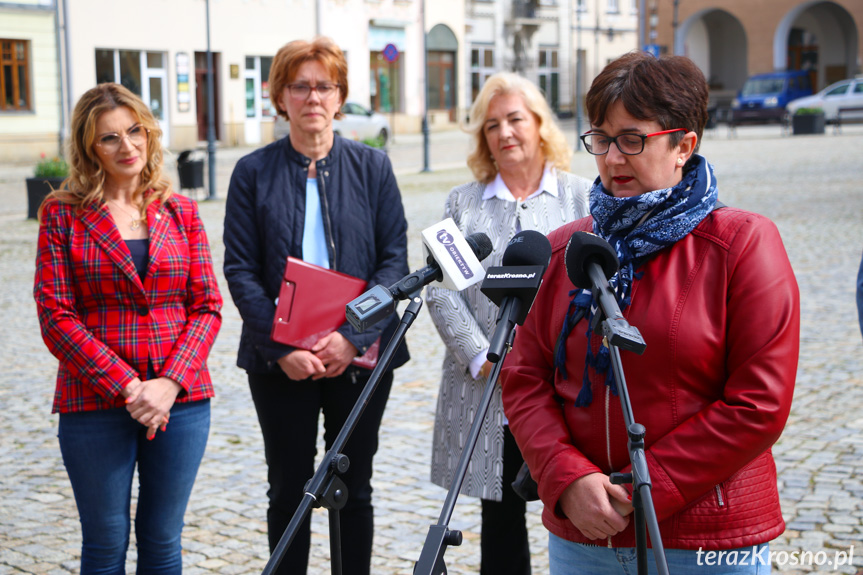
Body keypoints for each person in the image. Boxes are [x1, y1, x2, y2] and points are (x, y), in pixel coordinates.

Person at [500, 51, 800, 574]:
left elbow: (759, 402)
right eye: (601, 139)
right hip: (585, 540)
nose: (613, 159)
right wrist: (565, 478)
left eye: (633, 139)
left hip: (705, 540)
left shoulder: (742, 245)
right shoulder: (564, 249)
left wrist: (644, 489)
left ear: (684, 144)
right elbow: (525, 376)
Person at [223, 37, 409, 575]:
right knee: (287, 487)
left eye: (323, 86)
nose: (312, 97)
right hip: (279, 359)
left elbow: (393, 262)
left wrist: (354, 335)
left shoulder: (372, 168)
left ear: (340, 96)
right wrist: (281, 346)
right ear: (281, 97)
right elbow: (240, 269)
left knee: (354, 484)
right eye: (299, 86)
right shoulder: (252, 173)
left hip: (359, 353)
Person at [33, 83, 223, 574]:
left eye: (135, 131)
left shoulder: (181, 212)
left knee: (162, 541)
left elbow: (206, 306)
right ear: (88, 147)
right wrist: (128, 386)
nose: (128, 146)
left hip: (179, 402)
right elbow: (56, 316)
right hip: (93, 402)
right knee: (104, 541)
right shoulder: (63, 214)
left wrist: (167, 383)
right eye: (110, 138)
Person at [425, 72, 590, 575]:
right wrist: (481, 353)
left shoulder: (582, 197)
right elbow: (440, 288)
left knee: (582, 511)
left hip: (564, 388)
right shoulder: (463, 203)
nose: (505, 133)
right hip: (487, 389)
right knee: (500, 523)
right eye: (492, 125)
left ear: (540, 124)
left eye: (515, 118)